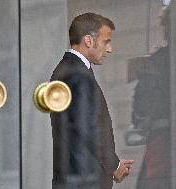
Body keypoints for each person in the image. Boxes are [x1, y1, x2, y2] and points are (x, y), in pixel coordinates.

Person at [50, 12, 134, 189]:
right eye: (106, 42)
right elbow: (88, 127)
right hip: (84, 180)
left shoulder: (67, 69)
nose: (109, 49)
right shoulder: (78, 75)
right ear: (88, 40)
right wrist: (114, 165)